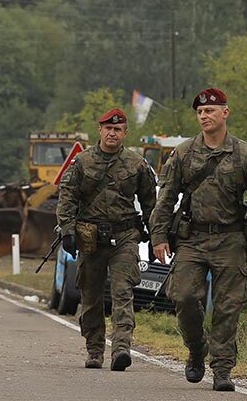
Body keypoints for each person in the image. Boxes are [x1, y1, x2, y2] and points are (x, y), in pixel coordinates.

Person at [149, 88, 247, 392]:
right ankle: (196, 349)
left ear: (225, 113)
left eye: (210, 111)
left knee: (228, 307)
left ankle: (222, 368)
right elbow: (165, 197)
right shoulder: (184, 153)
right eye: (200, 112)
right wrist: (159, 236)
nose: (204, 116)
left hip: (231, 239)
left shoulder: (245, 154)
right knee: (184, 296)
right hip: (192, 239)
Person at [55, 108, 157, 371]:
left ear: (125, 133)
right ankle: (95, 350)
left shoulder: (137, 165)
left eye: (118, 129)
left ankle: (121, 347)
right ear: (100, 130)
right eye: (108, 128)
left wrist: (157, 236)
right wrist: (67, 230)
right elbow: (67, 197)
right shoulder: (83, 162)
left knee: (123, 291)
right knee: (91, 295)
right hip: (90, 237)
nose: (112, 133)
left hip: (125, 235)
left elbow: (150, 204)